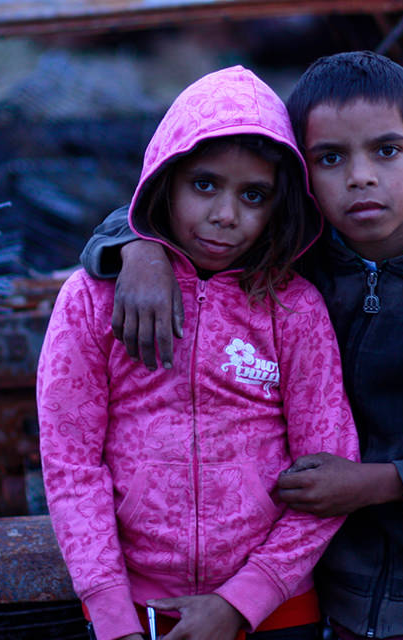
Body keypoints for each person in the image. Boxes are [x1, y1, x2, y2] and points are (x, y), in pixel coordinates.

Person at [80, 51, 403, 640]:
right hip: (347, 592)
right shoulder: (296, 260)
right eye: (330, 158)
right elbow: (186, 203)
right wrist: (138, 247)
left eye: (386, 151)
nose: (360, 177)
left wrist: (376, 483)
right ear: (301, 182)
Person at [37, 65, 358, 640]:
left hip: (276, 609)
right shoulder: (91, 299)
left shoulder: (293, 308)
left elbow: (330, 473)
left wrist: (242, 601)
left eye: (252, 195)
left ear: (279, 207)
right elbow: (72, 466)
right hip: (133, 611)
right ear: (165, 179)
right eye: (204, 184)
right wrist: (113, 618)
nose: (225, 215)